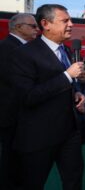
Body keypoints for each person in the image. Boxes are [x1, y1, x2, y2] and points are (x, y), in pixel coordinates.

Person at [9, 4, 85, 190]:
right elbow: (28, 97)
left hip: (69, 133)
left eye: (70, 20)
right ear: (45, 24)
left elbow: (64, 85)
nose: (71, 24)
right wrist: (67, 76)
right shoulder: (23, 54)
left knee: (74, 179)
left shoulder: (66, 50)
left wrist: (76, 92)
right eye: (65, 20)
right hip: (39, 137)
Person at [0, 13, 38, 189]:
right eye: (33, 26)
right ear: (18, 27)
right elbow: (18, 86)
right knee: (13, 162)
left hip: (18, 116)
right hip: (14, 116)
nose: (37, 30)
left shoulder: (16, 47)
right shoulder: (11, 49)